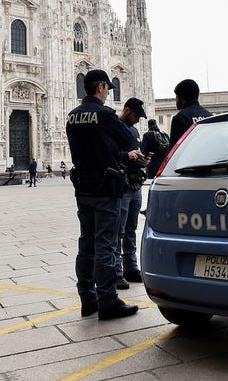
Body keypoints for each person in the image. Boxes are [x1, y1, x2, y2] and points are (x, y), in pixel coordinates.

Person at [66, 69, 148, 320]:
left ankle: (87, 298)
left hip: (83, 188)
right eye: (107, 88)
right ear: (101, 87)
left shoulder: (72, 116)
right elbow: (128, 141)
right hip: (106, 187)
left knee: (86, 244)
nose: (108, 93)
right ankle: (108, 300)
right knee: (106, 244)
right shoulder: (105, 115)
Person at [115, 97, 147, 288]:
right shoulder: (115, 128)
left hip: (136, 185)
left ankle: (131, 266)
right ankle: (117, 271)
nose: (137, 119)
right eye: (136, 115)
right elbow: (109, 154)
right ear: (128, 111)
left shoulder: (134, 131)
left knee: (131, 229)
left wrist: (143, 160)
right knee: (119, 230)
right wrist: (127, 156)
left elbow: (138, 151)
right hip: (122, 185)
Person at [169, 79, 212, 146]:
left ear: (182, 98)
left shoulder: (180, 118)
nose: (176, 99)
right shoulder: (209, 116)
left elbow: (174, 149)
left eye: (177, 96)